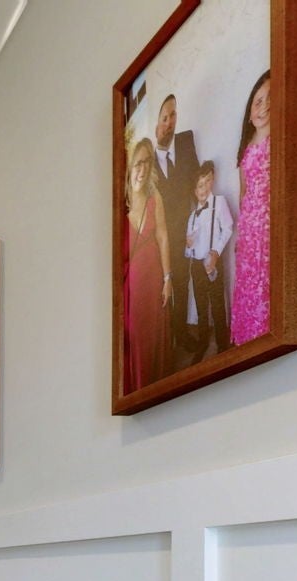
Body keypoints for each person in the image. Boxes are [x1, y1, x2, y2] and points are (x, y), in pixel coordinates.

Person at [150, 95, 201, 360]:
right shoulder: (148, 160)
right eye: (164, 118)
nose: (169, 122)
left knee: (182, 284)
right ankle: (162, 340)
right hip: (157, 240)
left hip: (183, 235)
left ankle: (180, 333)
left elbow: (197, 185)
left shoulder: (186, 142)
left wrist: (199, 224)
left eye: (173, 116)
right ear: (156, 124)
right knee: (160, 288)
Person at [123, 137, 174, 394]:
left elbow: (163, 237)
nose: (142, 169)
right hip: (132, 288)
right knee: (136, 337)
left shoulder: (155, 199)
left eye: (146, 162)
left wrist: (167, 279)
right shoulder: (120, 206)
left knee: (155, 337)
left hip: (154, 280)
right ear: (129, 167)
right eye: (137, 163)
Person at [231, 70, 274, 346]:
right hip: (249, 237)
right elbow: (243, 194)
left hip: (269, 234)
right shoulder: (246, 149)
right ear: (249, 113)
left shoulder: (278, 143)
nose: (264, 106)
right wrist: (240, 236)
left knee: (266, 288)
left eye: (271, 99)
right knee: (248, 288)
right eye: (258, 101)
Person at [185, 160, 236, 358]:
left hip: (212, 262)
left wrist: (216, 252)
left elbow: (228, 228)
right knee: (200, 304)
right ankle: (203, 340)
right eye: (200, 185)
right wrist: (188, 245)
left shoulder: (219, 203)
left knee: (217, 303)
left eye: (207, 182)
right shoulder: (192, 215)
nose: (204, 188)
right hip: (197, 265)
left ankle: (222, 344)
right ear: (194, 190)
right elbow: (189, 248)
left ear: (212, 181)